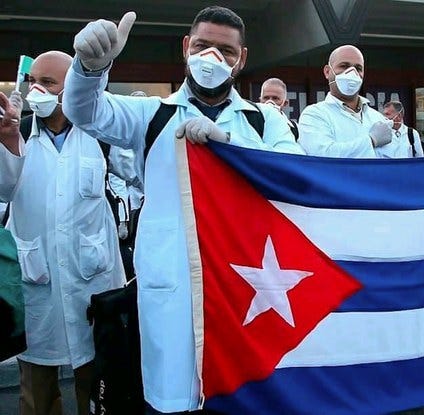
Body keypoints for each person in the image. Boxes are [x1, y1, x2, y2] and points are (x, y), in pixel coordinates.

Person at [63, 6, 304, 414]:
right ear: (186, 47)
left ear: (242, 59)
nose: (212, 58)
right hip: (171, 287)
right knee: (173, 399)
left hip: (244, 289)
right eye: (203, 45)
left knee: (241, 396)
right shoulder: (152, 115)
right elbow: (84, 111)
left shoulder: (264, 121)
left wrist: (229, 146)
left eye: (226, 51)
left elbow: (292, 173)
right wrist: (89, 68)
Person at [0, 51, 126, 415]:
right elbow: (3, 190)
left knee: (97, 389)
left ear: (70, 88)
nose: (36, 90)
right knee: (36, 394)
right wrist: (7, 141)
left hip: (92, 284)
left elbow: (142, 173)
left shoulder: (100, 134)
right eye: (33, 81)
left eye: (48, 82)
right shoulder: (17, 133)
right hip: (36, 283)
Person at [297, 44, 393, 158]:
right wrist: (371, 141)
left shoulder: (377, 118)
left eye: (358, 68)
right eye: (344, 66)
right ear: (327, 72)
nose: (352, 73)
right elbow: (323, 156)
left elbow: (391, 161)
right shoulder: (314, 114)